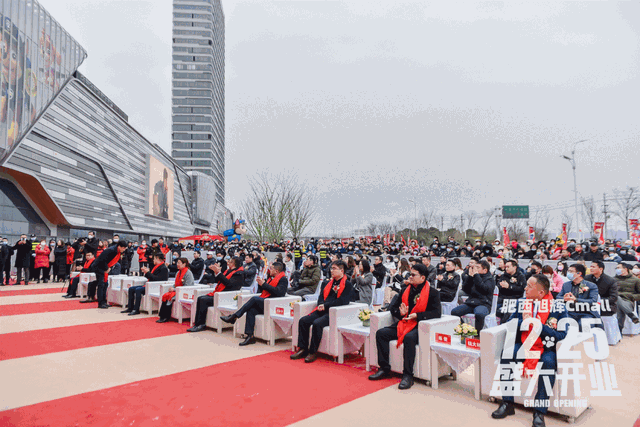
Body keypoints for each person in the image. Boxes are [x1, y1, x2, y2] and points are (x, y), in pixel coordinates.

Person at [491, 274, 568, 427]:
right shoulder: (521, 303)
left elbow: (561, 334)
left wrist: (539, 326)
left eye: (529, 286)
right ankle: (507, 403)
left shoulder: (557, 307)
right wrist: (524, 322)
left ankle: (539, 412)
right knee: (507, 354)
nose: (525, 288)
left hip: (546, 347)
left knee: (548, 363)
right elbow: (509, 324)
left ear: (541, 292)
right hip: (524, 343)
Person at [368, 263, 442, 389]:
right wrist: (400, 313)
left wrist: (418, 316)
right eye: (410, 274)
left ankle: (408, 375)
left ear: (423, 278)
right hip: (404, 322)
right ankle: (384, 368)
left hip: (420, 325)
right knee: (381, 333)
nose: (410, 277)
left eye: (413, 275)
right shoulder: (405, 290)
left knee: (409, 338)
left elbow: (436, 313)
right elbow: (393, 309)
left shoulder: (433, 292)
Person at [291, 260, 353, 363]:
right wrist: (320, 304)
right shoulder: (327, 283)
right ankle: (303, 348)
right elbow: (320, 296)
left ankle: (312, 352)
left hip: (334, 312)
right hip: (322, 309)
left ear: (342, 271)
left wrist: (325, 306)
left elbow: (343, 301)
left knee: (317, 323)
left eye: (334, 269)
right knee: (303, 321)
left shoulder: (347, 284)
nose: (331, 271)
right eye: (331, 268)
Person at [220, 261, 288, 345]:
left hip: (273, 304)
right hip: (266, 302)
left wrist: (264, 284)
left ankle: (234, 316)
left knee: (254, 299)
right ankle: (250, 336)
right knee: (251, 310)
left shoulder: (283, 279)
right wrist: (261, 284)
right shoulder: (271, 278)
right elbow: (264, 291)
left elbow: (279, 293)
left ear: (276, 271)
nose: (269, 270)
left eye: (271, 269)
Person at [187, 256, 245, 332]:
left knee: (203, 300)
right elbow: (218, 280)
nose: (228, 263)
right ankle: (197, 324)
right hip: (220, 294)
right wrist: (215, 271)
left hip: (226, 296)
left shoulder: (239, 273)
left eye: (230, 262)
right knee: (200, 298)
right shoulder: (228, 271)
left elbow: (229, 284)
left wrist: (219, 273)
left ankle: (201, 324)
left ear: (235, 264)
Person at [451, 260, 495, 331]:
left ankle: (477, 334)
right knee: (454, 312)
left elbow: (484, 289)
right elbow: (465, 289)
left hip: (484, 304)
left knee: (479, 314)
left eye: (478, 267)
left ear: (485, 270)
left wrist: (476, 275)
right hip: (471, 303)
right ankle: (465, 329)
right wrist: (470, 277)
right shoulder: (474, 276)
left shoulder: (490, 279)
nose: (475, 269)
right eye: (475, 267)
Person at [82, 241, 128, 309]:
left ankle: (104, 301)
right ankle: (100, 303)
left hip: (104, 268)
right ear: (119, 246)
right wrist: (106, 268)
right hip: (99, 267)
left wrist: (108, 268)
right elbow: (102, 260)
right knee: (101, 284)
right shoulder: (111, 250)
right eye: (123, 248)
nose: (124, 250)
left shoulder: (117, 251)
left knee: (105, 284)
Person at [555, 263, 600, 328]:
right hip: (569, 313)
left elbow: (593, 301)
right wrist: (564, 299)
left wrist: (576, 299)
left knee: (583, 325)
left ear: (579, 273)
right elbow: (558, 297)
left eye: (571, 271)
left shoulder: (591, 286)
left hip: (586, 313)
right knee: (564, 324)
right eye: (568, 271)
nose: (568, 273)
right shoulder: (566, 285)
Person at [157, 257, 194, 323]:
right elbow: (176, 284)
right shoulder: (178, 272)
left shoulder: (188, 273)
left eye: (179, 263)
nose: (177, 264)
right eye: (177, 263)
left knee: (170, 297)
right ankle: (162, 315)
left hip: (185, 292)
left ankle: (166, 317)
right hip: (178, 290)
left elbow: (188, 286)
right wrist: (172, 288)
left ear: (184, 264)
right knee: (166, 295)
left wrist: (174, 289)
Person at [497, 260, 527, 324]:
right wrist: (502, 286)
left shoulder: (520, 276)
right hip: (502, 299)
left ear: (514, 267)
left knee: (508, 312)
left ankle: (503, 326)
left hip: (514, 300)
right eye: (505, 267)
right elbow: (498, 286)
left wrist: (509, 287)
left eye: (508, 267)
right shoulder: (503, 276)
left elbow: (521, 289)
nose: (506, 268)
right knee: (494, 309)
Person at [614, 262, 640, 330]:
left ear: (625, 269)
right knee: (618, 299)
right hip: (614, 301)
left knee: (619, 305)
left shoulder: (636, 280)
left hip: (628, 301)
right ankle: (630, 315)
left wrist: (632, 297)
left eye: (618, 268)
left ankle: (619, 331)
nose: (617, 269)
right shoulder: (613, 280)